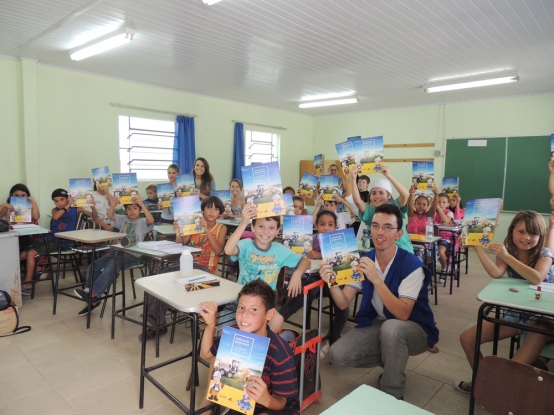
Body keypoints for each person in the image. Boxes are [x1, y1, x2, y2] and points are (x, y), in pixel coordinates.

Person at [321, 204, 439, 400]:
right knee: (337, 354)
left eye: (387, 227)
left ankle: (393, 394)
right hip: (380, 323)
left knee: (392, 329)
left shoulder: (412, 266)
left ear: (399, 233)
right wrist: (331, 282)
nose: (380, 232)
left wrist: (376, 279)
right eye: (375, 226)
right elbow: (343, 303)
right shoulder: (364, 259)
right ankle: (394, 363)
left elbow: (402, 314)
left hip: (416, 329)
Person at [454, 210, 554, 393]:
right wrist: (476, 245)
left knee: (512, 369)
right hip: (518, 315)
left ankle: (494, 389)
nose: (527, 237)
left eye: (533, 233)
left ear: (541, 236)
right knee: (467, 339)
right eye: (521, 232)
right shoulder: (510, 252)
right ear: (512, 231)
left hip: (544, 320)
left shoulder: (544, 254)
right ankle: (483, 382)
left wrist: (507, 256)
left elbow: (537, 277)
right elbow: (496, 272)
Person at [198, 279, 300, 415]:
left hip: (275, 407)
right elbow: (205, 354)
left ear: (269, 314)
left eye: (254, 309)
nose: (244, 315)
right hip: (244, 404)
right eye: (241, 308)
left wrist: (267, 400)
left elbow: (284, 403)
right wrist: (211, 325)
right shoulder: (233, 335)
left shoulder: (280, 354)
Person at [275, 209, 351, 360]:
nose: (326, 228)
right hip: (314, 281)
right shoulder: (311, 239)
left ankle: (333, 336)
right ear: (316, 225)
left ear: (336, 226)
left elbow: (343, 260)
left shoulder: (341, 241)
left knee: (343, 307)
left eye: (330, 224)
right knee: (308, 291)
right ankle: (279, 318)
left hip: (334, 284)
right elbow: (299, 254)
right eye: (322, 224)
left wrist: (320, 255)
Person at [223, 204, 310, 328]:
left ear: (277, 230)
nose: (265, 232)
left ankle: (265, 345)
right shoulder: (246, 245)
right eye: (261, 226)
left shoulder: (280, 250)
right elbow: (228, 250)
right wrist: (243, 223)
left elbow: (306, 262)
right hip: (238, 304)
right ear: (253, 227)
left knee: (277, 321)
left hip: (263, 308)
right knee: (223, 335)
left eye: (271, 228)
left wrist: (297, 273)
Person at [74, 192, 154, 316]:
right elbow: (110, 215)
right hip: (119, 251)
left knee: (113, 265)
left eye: (135, 208)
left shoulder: (143, 222)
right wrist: (112, 205)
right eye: (128, 208)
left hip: (134, 255)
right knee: (93, 266)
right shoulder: (123, 219)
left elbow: (151, 220)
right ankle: (91, 296)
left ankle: (93, 295)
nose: (131, 211)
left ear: (140, 209)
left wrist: (142, 204)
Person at [21, 189, 92, 295]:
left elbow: (94, 216)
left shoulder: (77, 209)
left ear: (68, 198)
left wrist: (91, 205)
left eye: (62, 200)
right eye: (56, 201)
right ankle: (13, 280)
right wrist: (67, 205)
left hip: (63, 242)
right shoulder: (55, 210)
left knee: (31, 253)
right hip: (49, 237)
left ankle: (28, 283)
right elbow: (56, 216)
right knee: (22, 254)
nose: (59, 203)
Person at [349, 165, 414, 254]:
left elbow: (405, 195)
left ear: (389, 195)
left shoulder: (395, 207)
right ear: (370, 196)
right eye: (374, 193)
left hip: (403, 251)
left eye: (381, 193)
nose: (377, 196)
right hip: (383, 253)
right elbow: (357, 201)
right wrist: (353, 179)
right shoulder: (371, 212)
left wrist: (389, 176)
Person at [175, 196, 227, 274]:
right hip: (190, 267)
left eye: (216, 209)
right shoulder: (194, 225)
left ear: (219, 212)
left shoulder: (222, 228)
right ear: (202, 210)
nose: (212, 212)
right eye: (209, 208)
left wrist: (206, 231)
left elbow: (218, 251)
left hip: (208, 270)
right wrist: (178, 232)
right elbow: (180, 245)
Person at [407, 186, 439, 264]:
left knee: (417, 259)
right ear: (415, 205)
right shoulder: (411, 215)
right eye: (419, 204)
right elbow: (409, 205)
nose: (421, 206)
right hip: (410, 245)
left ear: (427, 207)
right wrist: (411, 194)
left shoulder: (429, 216)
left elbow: (434, 207)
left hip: (423, 247)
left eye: (424, 205)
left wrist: (436, 195)